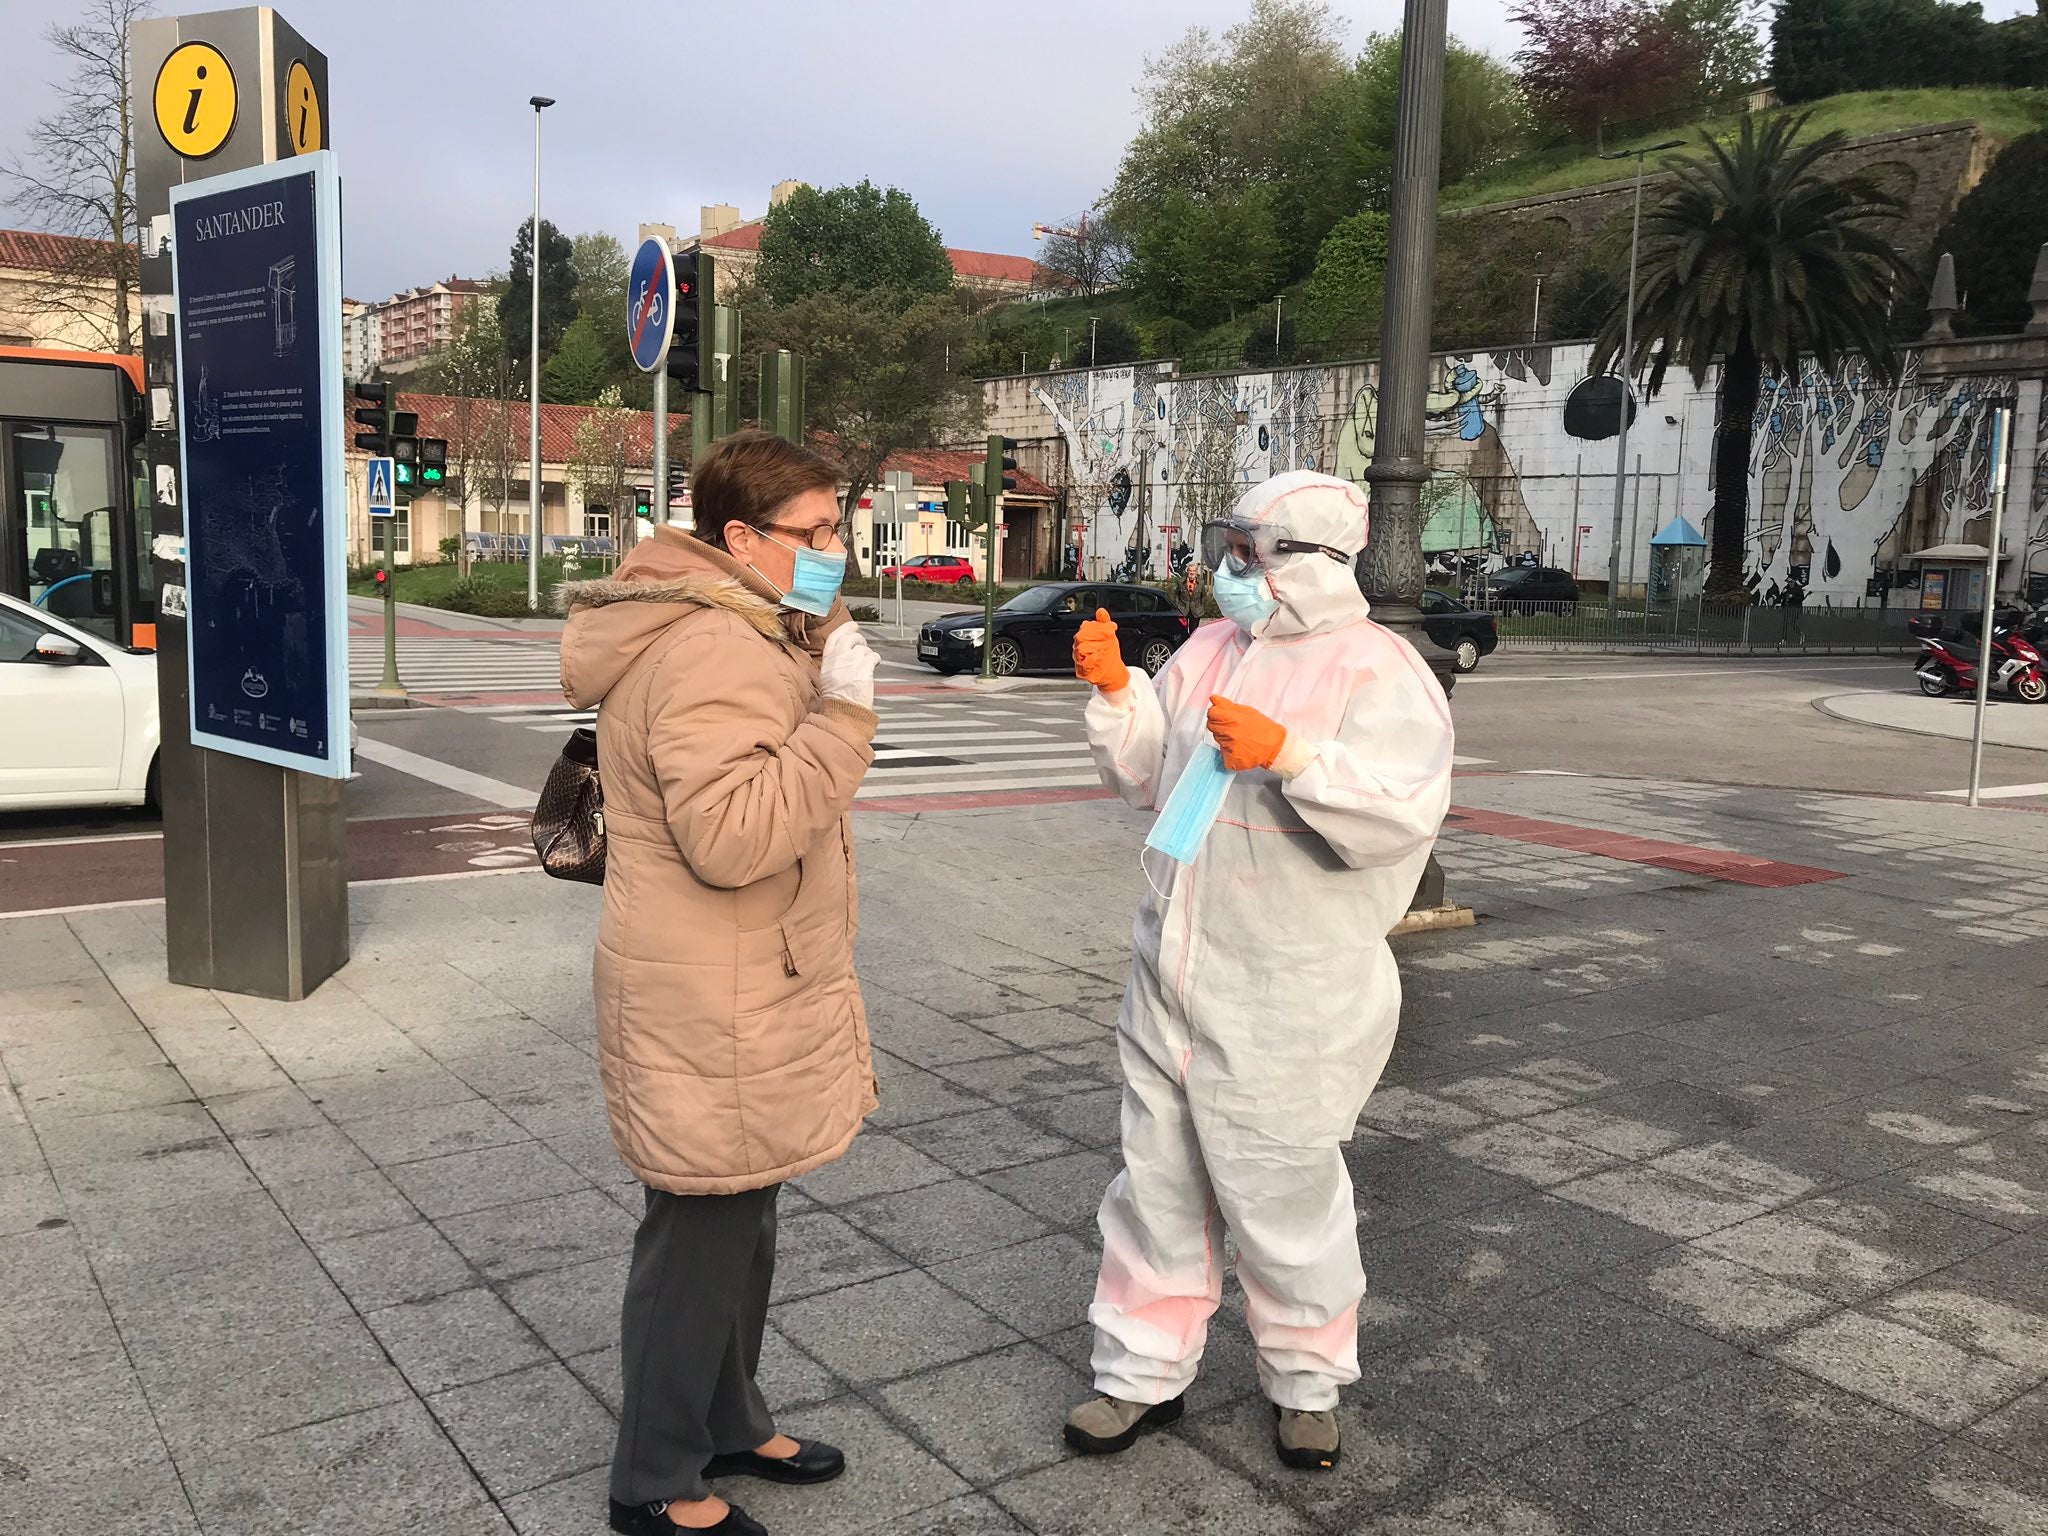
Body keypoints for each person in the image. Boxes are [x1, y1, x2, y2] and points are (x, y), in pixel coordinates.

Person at [1062, 470, 1454, 1471]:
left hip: (1293, 986)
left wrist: (1294, 757)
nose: (1229, 568)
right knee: (1153, 1184)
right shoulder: (1207, 650)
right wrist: (1116, 695)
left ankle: (1306, 1382)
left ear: (1318, 560)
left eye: (1252, 550)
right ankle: (1139, 1372)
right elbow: (1146, 774)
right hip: (1171, 970)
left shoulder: (1377, 669)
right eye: (1228, 545)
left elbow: (1400, 813)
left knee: (1282, 1195)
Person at [560, 430, 881, 1536]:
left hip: (739, 976)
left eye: (839, 525)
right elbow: (735, 837)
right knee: (698, 1238)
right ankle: (652, 1480)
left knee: (742, 1221)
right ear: (740, 539)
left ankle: (729, 1419)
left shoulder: (750, 626)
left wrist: (820, 641)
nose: (838, 547)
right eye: (817, 532)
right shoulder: (715, 651)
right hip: (714, 989)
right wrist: (843, 716)